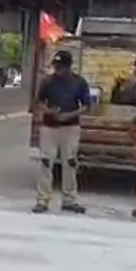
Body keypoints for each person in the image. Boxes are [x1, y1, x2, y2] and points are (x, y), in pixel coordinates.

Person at [32, 50, 90, 214]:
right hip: (49, 126)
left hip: (70, 127)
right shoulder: (48, 81)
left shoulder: (79, 82)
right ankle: (43, 200)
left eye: (61, 67)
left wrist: (69, 115)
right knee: (45, 162)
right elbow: (39, 102)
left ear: (69, 66)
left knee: (70, 163)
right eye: (56, 66)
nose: (58, 70)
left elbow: (86, 106)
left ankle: (69, 199)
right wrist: (50, 112)